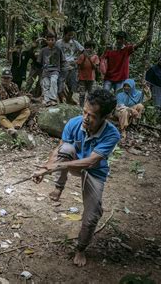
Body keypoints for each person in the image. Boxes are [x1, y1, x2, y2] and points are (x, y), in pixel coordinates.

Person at [32, 89, 120, 267]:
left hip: (94, 171)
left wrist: (56, 166)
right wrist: (44, 168)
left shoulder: (112, 134)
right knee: (65, 150)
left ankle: (81, 248)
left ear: (105, 117)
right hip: (73, 162)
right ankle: (58, 187)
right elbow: (59, 150)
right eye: (84, 112)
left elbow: (91, 162)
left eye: (92, 115)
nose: (86, 118)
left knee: (91, 217)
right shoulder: (74, 123)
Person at [0, 69, 31, 135]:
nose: (6, 80)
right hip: (3, 111)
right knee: (1, 117)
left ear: (11, 78)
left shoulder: (15, 86)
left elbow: (19, 97)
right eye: (4, 78)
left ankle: (15, 125)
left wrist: (24, 99)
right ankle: (11, 128)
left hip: (14, 109)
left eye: (8, 78)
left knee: (27, 111)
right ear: (1, 78)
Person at [56, 26, 84, 103]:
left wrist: (77, 59)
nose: (70, 37)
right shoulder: (58, 43)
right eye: (69, 35)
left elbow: (83, 50)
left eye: (72, 35)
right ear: (64, 34)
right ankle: (61, 100)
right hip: (62, 66)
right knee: (60, 83)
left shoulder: (75, 43)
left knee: (73, 84)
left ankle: (69, 98)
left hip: (72, 66)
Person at [38, 32, 65, 106]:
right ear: (46, 41)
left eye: (52, 40)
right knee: (46, 84)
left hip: (55, 70)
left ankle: (53, 99)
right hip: (45, 70)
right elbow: (39, 61)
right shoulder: (43, 50)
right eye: (49, 40)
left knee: (53, 82)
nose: (50, 41)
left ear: (55, 40)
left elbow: (63, 60)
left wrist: (62, 71)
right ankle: (47, 100)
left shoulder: (58, 49)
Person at [76, 41, 100, 107]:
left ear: (93, 48)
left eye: (90, 47)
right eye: (87, 47)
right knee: (82, 94)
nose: (88, 49)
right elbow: (80, 67)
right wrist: (84, 58)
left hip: (91, 78)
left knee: (91, 94)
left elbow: (95, 67)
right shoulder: (81, 56)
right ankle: (81, 108)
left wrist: (89, 58)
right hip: (82, 78)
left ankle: (89, 107)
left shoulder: (95, 57)